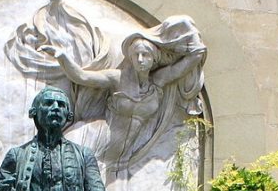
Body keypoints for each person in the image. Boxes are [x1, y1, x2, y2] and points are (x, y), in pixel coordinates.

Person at [38, 16, 206, 172]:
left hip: (120, 155)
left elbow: (193, 58)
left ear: (154, 59)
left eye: (145, 55)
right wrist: (62, 57)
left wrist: (187, 30)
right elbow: (81, 76)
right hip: (94, 138)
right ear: (131, 58)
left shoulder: (158, 81)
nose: (140, 59)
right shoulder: (117, 78)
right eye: (136, 55)